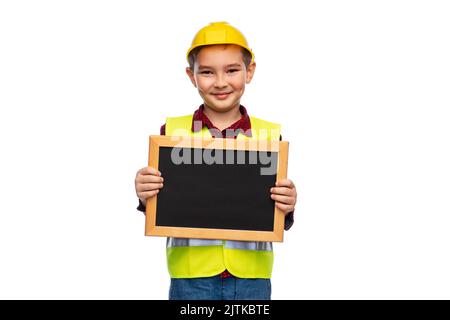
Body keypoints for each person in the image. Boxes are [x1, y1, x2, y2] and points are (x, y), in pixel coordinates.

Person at [134, 22, 297, 300]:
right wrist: (144, 191)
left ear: (250, 71)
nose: (220, 82)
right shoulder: (172, 132)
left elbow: (275, 211)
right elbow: (161, 203)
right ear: (191, 76)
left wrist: (288, 202)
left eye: (232, 70)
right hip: (190, 279)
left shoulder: (269, 135)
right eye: (207, 72)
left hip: (252, 280)